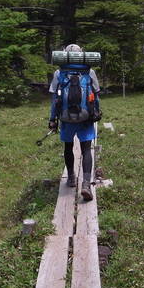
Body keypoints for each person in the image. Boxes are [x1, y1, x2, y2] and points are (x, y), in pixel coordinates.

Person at [48, 44, 101, 201]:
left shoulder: (59, 72)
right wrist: (96, 113)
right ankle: (85, 184)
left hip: (65, 118)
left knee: (68, 147)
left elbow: (54, 99)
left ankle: (71, 177)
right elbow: (96, 95)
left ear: (64, 55)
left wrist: (52, 119)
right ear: (82, 54)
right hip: (85, 118)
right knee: (86, 149)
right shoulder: (89, 71)